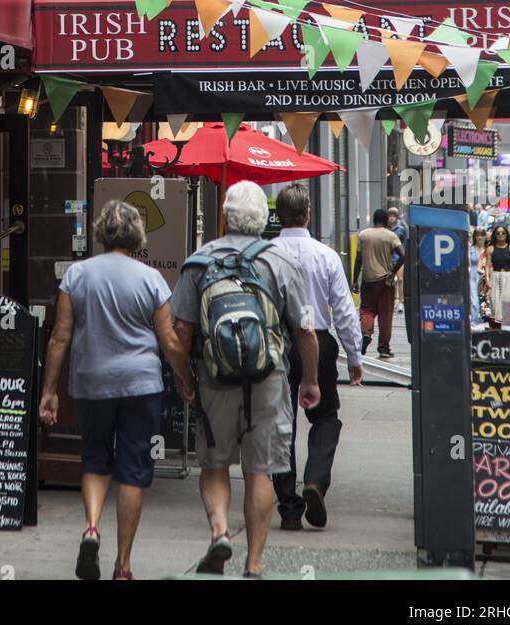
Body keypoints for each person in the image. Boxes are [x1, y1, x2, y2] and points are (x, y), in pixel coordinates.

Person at [39, 199, 195, 581]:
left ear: (99, 232)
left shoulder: (76, 276)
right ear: (136, 234)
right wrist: (185, 380)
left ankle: (91, 527)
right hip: (141, 384)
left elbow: (60, 337)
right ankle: (123, 564)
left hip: (92, 382)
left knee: (94, 459)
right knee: (132, 470)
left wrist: (50, 390)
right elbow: (170, 341)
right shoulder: (151, 278)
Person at [170, 180, 319, 578]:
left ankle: (220, 531)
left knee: (215, 464)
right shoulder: (280, 261)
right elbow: (305, 329)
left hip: (214, 378)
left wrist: (184, 377)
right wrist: (310, 379)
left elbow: (181, 330)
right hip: (268, 379)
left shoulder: (199, 261)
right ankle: (254, 563)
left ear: (225, 215)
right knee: (260, 470)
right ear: (262, 219)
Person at [270, 184, 363, 531]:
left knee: (281, 426)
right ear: (308, 214)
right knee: (325, 417)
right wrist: (354, 354)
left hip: (275, 342)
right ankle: (315, 479)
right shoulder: (325, 256)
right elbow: (343, 310)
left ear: (278, 216)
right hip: (318, 342)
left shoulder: (265, 254)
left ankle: (289, 509)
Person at [352, 207, 404, 359]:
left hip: (368, 281)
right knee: (385, 316)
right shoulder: (391, 236)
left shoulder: (363, 235)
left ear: (374, 219)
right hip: (385, 283)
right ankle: (383, 348)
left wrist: (355, 281)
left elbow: (358, 259)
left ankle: (366, 333)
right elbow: (403, 255)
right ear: (387, 220)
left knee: (367, 311)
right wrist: (392, 273)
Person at [485, 222, 510, 321]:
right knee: (495, 303)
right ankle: (497, 327)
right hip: (495, 276)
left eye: (503, 233)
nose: (501, 235)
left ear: (507, 234)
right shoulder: (490, 249)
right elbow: (487, 266)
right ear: (495, 235)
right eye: (498, 233)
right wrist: (487, 279)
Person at [386, 205, 408, 313]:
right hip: (388, 258)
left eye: (393, 216)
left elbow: (405, 241)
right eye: (390, 216)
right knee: (390, 280)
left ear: (396, 217)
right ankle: (393, 301)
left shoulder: (401, 229)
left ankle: (401, 302)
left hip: (399, 257)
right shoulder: (385, 229)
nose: (391, 218)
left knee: (400, 279)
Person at [472, 225, 489, 317]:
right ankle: (475, 318)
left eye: (482, 235)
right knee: (474, 299)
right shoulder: (470, 249)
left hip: (485, 278)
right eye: (477, 235)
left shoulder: (488, 250)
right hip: (472, 277)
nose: (479, 237)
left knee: (486, 299)